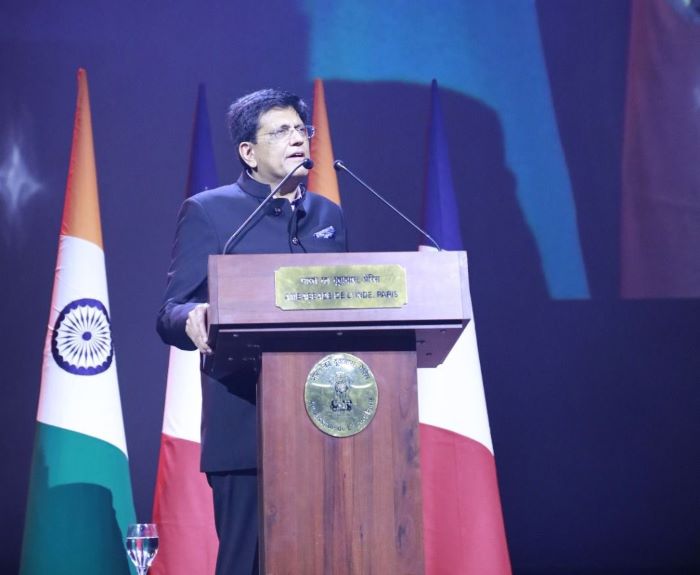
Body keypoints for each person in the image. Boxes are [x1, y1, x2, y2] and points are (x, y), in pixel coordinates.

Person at [156, 88, 347, 575]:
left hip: (328, 422)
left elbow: (349, 310)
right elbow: (170, 311)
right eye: (280, 132)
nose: (297, 139)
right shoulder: (210, 211)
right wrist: (192, 317)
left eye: (301, 130)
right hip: (245, 428)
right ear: (248, 152)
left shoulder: (328, 216)